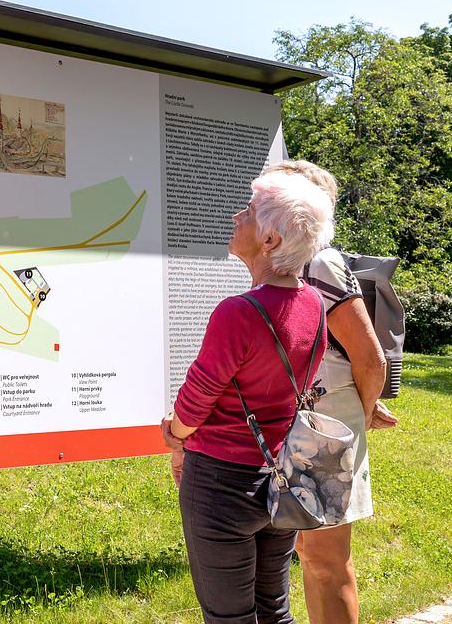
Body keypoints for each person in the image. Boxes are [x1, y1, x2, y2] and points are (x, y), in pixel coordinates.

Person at [162, 170, 335, 624]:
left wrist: (175, 435)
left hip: (222, 482)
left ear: (269, 239)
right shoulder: (313, 304)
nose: (237, 217)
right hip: (282, 476)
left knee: (229, 616)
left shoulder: (238, 312)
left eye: (249, 211)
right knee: (273, 608)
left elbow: (198, 396)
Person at [261, 160, 397, 624]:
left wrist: (362, 413)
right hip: (297, 425)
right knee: (308, 551)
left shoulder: (321, 261)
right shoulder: (284, 260)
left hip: (326, 425)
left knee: (325, 557)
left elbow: (370, 358)